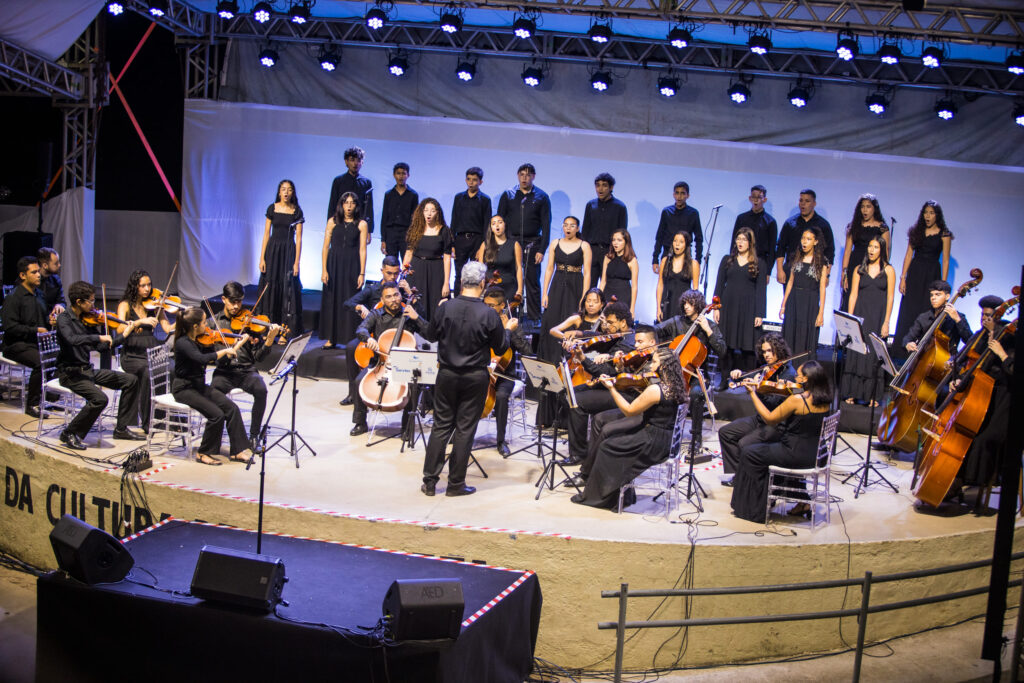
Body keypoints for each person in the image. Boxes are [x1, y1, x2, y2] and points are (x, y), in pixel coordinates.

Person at [419, 262, 514, 497]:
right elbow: (500, 347)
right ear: (482, 284)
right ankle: (455, 485)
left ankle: (430, 482)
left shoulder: (445, 307)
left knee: (441, 426)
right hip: (474, 377)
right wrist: (509, 330)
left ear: (461, 282)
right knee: (464, 429)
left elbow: (430, 335)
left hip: (447, 374)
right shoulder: (489, 314)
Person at [570, 347, 686, 510]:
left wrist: (611, 388)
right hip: (667, 439)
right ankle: (621, 495)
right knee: (612, 439)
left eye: (654, 362)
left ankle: (602, 498)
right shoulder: (677, 385)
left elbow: (629, 410)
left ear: (664, 366)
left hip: (653, 440)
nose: (651, 365)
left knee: (608, 446)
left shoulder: (656, 389)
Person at [730, 360, 832, 522]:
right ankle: (790, 497)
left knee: (749, 452)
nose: (795, 378)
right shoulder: (825, 399)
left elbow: (770, 419)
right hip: (817, 453)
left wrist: (753, 394)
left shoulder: (798, 400)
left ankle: (753, 509)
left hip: (795, 453)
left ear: (806, 379)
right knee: (764, 449)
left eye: (798, 376)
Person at [54, 281, 148, 450]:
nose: (94, 305)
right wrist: (98, 338)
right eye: (90, 301)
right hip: (71, 374)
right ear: (79, 302)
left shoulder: (86, 320)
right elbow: (72, 340)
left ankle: (121, 429)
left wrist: (125, 334)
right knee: (100, 399)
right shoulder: (64, 319)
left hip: (87, 371)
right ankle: (70, 432)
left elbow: (103, 346)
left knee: (131, 380)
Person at [564, 321, 659, 486]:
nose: (635, 346)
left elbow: (645, 386)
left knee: (596, 416)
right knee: (576, 397)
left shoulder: (659, 360)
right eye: (635, 341)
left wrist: (619, 377)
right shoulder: (637, 357)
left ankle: (588, 469)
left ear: (652, 343)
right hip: (624, 393)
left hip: (637, 403)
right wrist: (621, 368)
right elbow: (624, 380)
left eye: (640, 342)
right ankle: (587, 463)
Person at [949, 295, 1015, 508]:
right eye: (983, 315)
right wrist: (958, 379)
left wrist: (1002, 354)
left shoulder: (1009, 339)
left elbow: (1014, 372)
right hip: (989, 400)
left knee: (981, 439)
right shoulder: (984, 336)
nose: (985, 320)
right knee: (966, 431)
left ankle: (973, 481)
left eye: (990, 316)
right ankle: (954, 481)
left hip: (1008, 405)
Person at [171, 307, 253, 466]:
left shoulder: (198, 339)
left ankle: (237, 451)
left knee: (231, 408)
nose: (206, 325)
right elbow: (201, 359)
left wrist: (236, 346)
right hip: (184, 388)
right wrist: (223, 352)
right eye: (203, 322)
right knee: (216, 415)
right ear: (195, 326)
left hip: (199, 386)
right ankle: (203, 453)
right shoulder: (183, 343)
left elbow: (217, 360)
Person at [563, 302, 639, 465]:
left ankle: (579, 454)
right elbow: (595, 340)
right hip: (608, 385)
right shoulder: (618, 337)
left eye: (611, 323)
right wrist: (577, 342)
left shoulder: (628, 343)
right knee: (569, 393)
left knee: (576, 401)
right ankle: (581, 444)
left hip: (621, 392)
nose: (607, 327)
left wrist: (583, 359)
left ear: (623, 323)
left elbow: (606, 372)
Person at [718, 333, 796, 485]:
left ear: (779, 350)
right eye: (764, 351)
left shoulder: (788, 374)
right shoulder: (766, 369)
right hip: (761, 419)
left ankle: (749, 481)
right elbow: (748, 378)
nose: (766, 355)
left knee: (744, 443)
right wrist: (738, 375)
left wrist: (757, 391)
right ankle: (739, 476)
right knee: (725, 433)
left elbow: (774, 403)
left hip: (776, 424)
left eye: (769, 351)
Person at [348, 281, 424, 437]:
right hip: (379, 362)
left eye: (396, 295)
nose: (394, 299)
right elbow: (361, 329)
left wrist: (417, 318)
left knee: (414, 386)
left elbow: (430, 333)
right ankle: (360, 422)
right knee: (358, 382)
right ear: (382, 300)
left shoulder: (409, 314)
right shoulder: (376, 314)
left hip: (404, 363)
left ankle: (407, 427)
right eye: (388, 297)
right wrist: (367, 339)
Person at [212, 282, 283, 446]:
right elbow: (215, 358)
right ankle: (217, 434)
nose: (236, 306)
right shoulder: (214, 323)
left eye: (239, 301)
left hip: (246, 370)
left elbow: (258, 357)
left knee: (261, 390)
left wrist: (269, 340)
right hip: (224, 371)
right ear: (224, 299)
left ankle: (253, 435)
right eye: (232, 302)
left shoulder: (250, 323)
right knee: (214, 391)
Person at [536, 216, 592, 427]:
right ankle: (547, 409)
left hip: (576, 287)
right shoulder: (554, 243)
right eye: (565, 224)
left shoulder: (584, 245)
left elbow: (587, 272)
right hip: (557, 286)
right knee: (551, 335)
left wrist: (585, 297)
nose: (568, 228)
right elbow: (549, 269)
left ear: (578, 228)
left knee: (571, 330)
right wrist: (545, 293)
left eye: (572, 225)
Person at [655, 289, 726, 446]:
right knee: (657, 388)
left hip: (697, 375)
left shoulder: (710, 326)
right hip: (673, 372)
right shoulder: (676, 321)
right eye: (685, 303)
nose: (686, 306)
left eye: (691, 303)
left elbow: (722, 350)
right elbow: (656, 330)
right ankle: (663, 430)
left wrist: (707, 330)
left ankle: (696, 437)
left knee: (696, 394)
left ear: (699, 305)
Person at [338, 256, 411, 407]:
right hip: (373, 334)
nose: (392, 277)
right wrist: (359, 307)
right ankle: (353, 391)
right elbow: (348, 303)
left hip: (396, 336)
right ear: (382, 270)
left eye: (396, 274)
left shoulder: (400, 292)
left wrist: (410, 294)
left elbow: (418, 313)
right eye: (389, 273)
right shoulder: (372, 290)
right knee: (352, 347)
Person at [892, 200, 954, 359]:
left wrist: (943, 286)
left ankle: (922, 352)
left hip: (932, 273)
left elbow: (945, 260)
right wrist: (903, 277)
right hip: (915, 272)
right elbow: (908, 255)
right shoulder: (916, 231)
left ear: (937, 215)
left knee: (927, 309)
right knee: (909, 309)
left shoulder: (944, 233)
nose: (928, 216)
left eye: (932, 213)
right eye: (926, 212)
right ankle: (902, 350)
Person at [116, 269, 175, 434]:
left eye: (149, 284)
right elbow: (120, 329)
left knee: (171, 368)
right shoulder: (125, 304)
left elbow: (167, 327)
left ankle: (162, 418)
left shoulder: (154, 304)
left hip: (151, 350)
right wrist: (138, 322)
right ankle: (148, 422)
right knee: (149, 373)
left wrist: (182, 321)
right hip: (132, 355)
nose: (147, 289)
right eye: (143, 285)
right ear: (135, 286)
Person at [840, 238, 896, 406]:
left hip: (877, 317)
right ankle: (851, 392)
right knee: (856, 352)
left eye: (876, 247)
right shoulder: (859, 269)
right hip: (860, 315)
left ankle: (872, 396)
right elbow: (853, 295)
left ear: (882, 249)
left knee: (873, 355)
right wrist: (849, 320)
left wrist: (886, 321)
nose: (872, 250)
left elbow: (891, 297)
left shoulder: (888, 270)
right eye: (870, 246)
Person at [496, 163, 551, 321]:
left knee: (532, 281)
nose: (524, 178)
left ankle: (534, 318)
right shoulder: (509, 194)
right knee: (509, 279)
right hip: (512, 242)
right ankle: (508, 314)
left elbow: (546, 225)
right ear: (517, 176)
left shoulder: (541, 196)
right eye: (521, 174)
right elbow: (500, 220)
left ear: (533, 176)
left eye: (528, 175)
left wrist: (542, 249)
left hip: (532, 243)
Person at [482, 287, 533, 457]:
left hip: (505, 376)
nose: (488, 309)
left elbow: (527, 350)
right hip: (483, 371)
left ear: (502, 305)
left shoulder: (512, 324)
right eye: (485, 305)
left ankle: (501, 440)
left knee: (502, 397)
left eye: (492, 306)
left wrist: (509, 332)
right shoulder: (481, 321)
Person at [713, 228, 766, 386]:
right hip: (728, 306)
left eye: (744, 239)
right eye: (738, 239)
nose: (740, 242)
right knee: (725, 345)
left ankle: (746, 379)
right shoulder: (727, 260)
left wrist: (760, 313)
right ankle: (723, 379)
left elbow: (761, 289)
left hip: (748, 308)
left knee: (748, 345)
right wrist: (716, 307)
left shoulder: (759, 263)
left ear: (750, 243)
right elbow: (719, 285)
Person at [319, 192, 367, 349]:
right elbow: (326, 247)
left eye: (352, 203)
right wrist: (324, 270)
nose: (349, 206)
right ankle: (331, 337)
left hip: (352, 265)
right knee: (332, 299)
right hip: (334, 264)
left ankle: (351, 338)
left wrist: (362, 273)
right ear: (341, 204)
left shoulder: (361, 224)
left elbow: (362, 250)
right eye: (346, 202)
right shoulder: (332, 222)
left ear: (356, 205)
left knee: (350, 299)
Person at [256, 179, 304, 336]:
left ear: (293, 192)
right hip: (273, 251)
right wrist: (262, 258)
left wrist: (297, 262)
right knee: (270, 286)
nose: (286, 192)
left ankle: (284, 331)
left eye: (289, 189)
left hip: (288, 252)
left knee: (286, 289)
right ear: (279, 192)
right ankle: (267, 328)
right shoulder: (272, 208)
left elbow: (299, 239)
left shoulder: (297, 211)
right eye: (283, 189)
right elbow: (266, 234)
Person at [1, 257, 49, 417]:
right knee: (40, 362)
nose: (38, 275)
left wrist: (51, 322)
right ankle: (32, 404)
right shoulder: (13, 298)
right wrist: (35, 330)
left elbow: (43, 320)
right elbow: (10, 327)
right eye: (34, 272)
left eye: (38, 271)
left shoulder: (39, 294)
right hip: (15, 345)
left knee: (59, 356)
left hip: (34, 343)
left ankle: (50, 397)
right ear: (23, 275)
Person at [780, 228, 828, 355]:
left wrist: (821, 313)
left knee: (806, 337)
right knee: (790, 334)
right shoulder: (796, 257)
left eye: (808, 239)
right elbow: (790, 282)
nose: (804, 242)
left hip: (810, 302)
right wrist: (783, 305)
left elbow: (822, 288)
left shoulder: (821, 262)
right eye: (803, 238)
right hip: (794, 300)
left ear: (816, 242)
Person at [404, 198, 454, 317]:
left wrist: (446, 282)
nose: (429, 214)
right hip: (416, 269)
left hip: (436, 270)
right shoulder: (415, 229)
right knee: (415, 302)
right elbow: (409, 253)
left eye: (432, 211)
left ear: (438, 213)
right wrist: (404, 273)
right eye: (426, 210)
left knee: (434, 304)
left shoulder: (444, 230)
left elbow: (447, 258)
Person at [840, 194, 890, 310]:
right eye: (862, 207)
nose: (865, 210)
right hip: (855, 264)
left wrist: (883, 272)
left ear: (874, 209)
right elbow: (847, 251)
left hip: (873, 266)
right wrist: (844, 273)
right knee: (851, 298)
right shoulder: (853, 226)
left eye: (868, 206)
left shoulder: (882, 228)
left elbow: (885, 252)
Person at [775, 189, 834, 287]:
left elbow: (829, 251)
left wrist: (827, 275)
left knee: (810, 301)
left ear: (814, 203)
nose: (803, 204)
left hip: (814, 271)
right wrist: (780, 270)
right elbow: (781, 247)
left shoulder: (823, 225)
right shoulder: (790, 223)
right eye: (801, 200)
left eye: (807, 201)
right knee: (789, 301)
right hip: (791, 269)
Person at [581, 173, 628, 289]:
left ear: (611, 188)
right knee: (588, 285)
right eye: (597, 185)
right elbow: (585, 230)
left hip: (609, 251)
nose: (600, 189)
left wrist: (617, 253)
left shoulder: (620, 207)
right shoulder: (591, 205)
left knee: (607, 286)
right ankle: (585, 307)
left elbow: (622, 233)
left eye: (604, 185)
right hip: (592, 250)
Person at [902, 280, 972, 356]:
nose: (933, 298)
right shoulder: (924, 317)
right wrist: (908, 344)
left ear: (947, 296)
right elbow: (908, 337)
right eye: (932, 295)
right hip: (923, 358)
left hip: (947, 361)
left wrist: (958, 320)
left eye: (938, 295)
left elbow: (969, 340)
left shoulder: (958, 316)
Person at [451, 166, 491, 294]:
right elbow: (454, 221)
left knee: (476, 273)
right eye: (469, 179)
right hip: (461, 239)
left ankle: (475, 300)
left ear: (481, 182)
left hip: (477, 240)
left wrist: (483, 246)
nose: (471, 182)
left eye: (474, 180)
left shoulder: (485, 200)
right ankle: (457, 300)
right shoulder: (459, 198)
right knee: (459, 273)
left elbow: (487, 225)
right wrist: (452, 244)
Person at [327, 146, 373, 244]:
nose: (355, 163)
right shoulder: (338, 181)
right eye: (352, 160)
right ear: (346, 161)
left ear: (362, 163)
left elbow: (369, 208)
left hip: (358, 224)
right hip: (340, 223)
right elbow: (332, 204)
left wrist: (369, 230)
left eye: (358, 160)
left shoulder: (366, 183)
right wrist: (330, 226)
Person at [653, 181, 702, 274]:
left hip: (685, 255)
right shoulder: (667, 212)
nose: (679, 196)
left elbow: (698, 238)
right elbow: (660, 235)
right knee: (665, 283)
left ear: (688, 195)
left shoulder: (693, 213)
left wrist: (698, 261)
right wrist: (655, 259)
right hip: (668, 253)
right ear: (673, 194)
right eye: (677, 193)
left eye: (683, 193)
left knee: (684, 284)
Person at [732, 185, 777, 283]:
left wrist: (768, 272)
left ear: (764, 199)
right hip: (742, 260)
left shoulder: (770, 222)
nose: (756, 200)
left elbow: (772, 249)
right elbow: (733, 243)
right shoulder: (742, 218)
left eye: (759, 197)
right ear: (750, 198)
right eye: (753, 197)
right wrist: (732, 262)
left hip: (760, 262)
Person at [475, 214, 522, 302]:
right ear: (491, 228)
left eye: (500, 222)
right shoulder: (485, 245)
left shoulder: (514, 244)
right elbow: (480, 269)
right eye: (493, 223)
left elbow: (519, 267)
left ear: (505, 225)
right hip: (490, 287)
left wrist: (520, 290)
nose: (497, 225)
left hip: (509, 287)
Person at [655, 231, 699, 322]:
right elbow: (660, 285)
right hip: (667, 304)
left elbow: (695, 290)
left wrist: (693, 310)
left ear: (686, 245)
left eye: (681, 242)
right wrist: (658, 307)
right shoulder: (665, 261)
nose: (677, 244)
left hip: (683, 305)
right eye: (675, 241)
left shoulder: (693, 264)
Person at [380, 162, 418, 258]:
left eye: (403, 173)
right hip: (391, 233)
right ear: (394, 175)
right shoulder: (389, 194)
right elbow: (384, 217)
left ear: (408, 175)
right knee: (391, 262)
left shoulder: (413, 195)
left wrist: (413, 238)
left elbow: (415, 218)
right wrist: (383, 239)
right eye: (398, 173)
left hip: (406, 234)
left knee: (407, 264)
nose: (401, 176)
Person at [601, 229, 639, 316]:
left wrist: (632, 308)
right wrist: (599, 298)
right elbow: (603, 281)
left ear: (626, 242)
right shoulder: (607, 257)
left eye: (619, 240)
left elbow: (634, 287)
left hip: (623, 295)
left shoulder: (632, 260)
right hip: (607, 294)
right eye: (613, 240)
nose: (615, 243)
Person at [37, 247, 65, 327]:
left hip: (52, 322)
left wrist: (60, 305)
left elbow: (62, 301)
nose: (59, 265)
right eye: (56, 263)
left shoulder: (56, 279)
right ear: (45, 265)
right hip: (38, 325)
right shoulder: (34, 282)